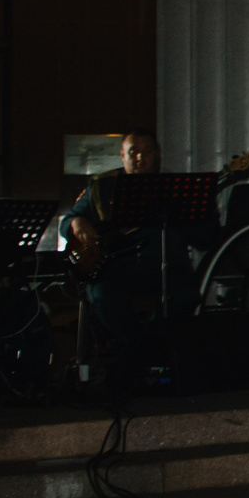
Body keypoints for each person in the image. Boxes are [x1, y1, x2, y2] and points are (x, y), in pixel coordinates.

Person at [64, 129, 176, 355]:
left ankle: (152, 349)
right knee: (103, 296)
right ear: (122, 155)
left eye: (147, 152)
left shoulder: (173, 188)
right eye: (133, 152)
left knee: (184, 295)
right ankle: (142, 350)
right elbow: (69, 219)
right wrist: (77, 223)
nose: (140, 158)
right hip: (114, 269)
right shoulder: (101, 185)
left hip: (159, 268)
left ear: (157, 155)